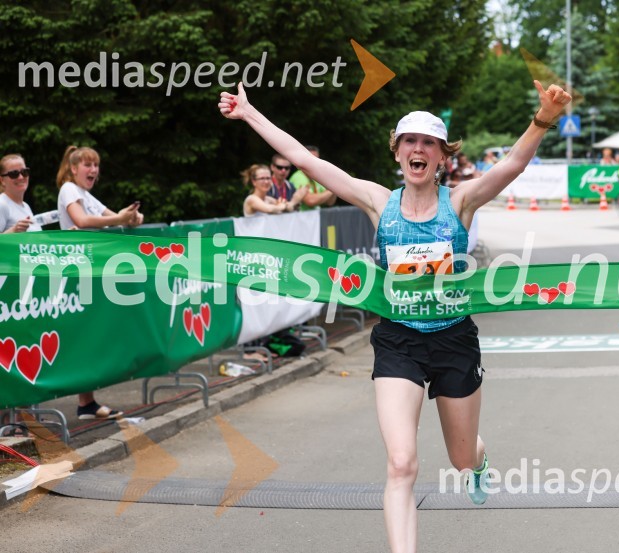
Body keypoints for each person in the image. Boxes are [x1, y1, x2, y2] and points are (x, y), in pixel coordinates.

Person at [218, 79, 571, 553]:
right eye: (410, 141)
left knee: (462, 458)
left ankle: (478, 460)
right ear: (398, 152)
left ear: (442, 157)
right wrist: (250, 112)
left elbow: (512, 164)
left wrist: (544, 117)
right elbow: (307, 162)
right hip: (399, 342)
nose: (419, 149)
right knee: (401, 463)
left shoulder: (460, 201)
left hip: (453, 339)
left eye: (429, 143)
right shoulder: (378, 201)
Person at [56, 145, 144, 420]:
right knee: (82, 336)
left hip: (91, 272)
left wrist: (131, 216)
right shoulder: (69, 190)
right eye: (87, 165)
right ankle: (79, 402)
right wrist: (120, 218)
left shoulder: (85, 194)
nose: (93, 170)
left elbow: (115, 218)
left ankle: (87, 402)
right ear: (73, 169)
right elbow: (81, 221)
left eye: (95, 165)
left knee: (91, 335)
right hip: (76, 272)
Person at [0, 154, 41, 234]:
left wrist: (65, 234)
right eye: (14, 174)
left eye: (24, 172)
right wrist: (13, 230)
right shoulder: (2, 204)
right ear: (2, 180)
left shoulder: (26, 206)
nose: (21, 177)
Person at [289, 145, 337, 210]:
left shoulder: (316, 176)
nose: (315, 163)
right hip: (300, 219)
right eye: (311, 160)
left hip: (313, 219)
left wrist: (334, 186)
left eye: (317, 160)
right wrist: (333, 188)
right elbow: (310, 201)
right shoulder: (298, 177)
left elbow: (330, 202)